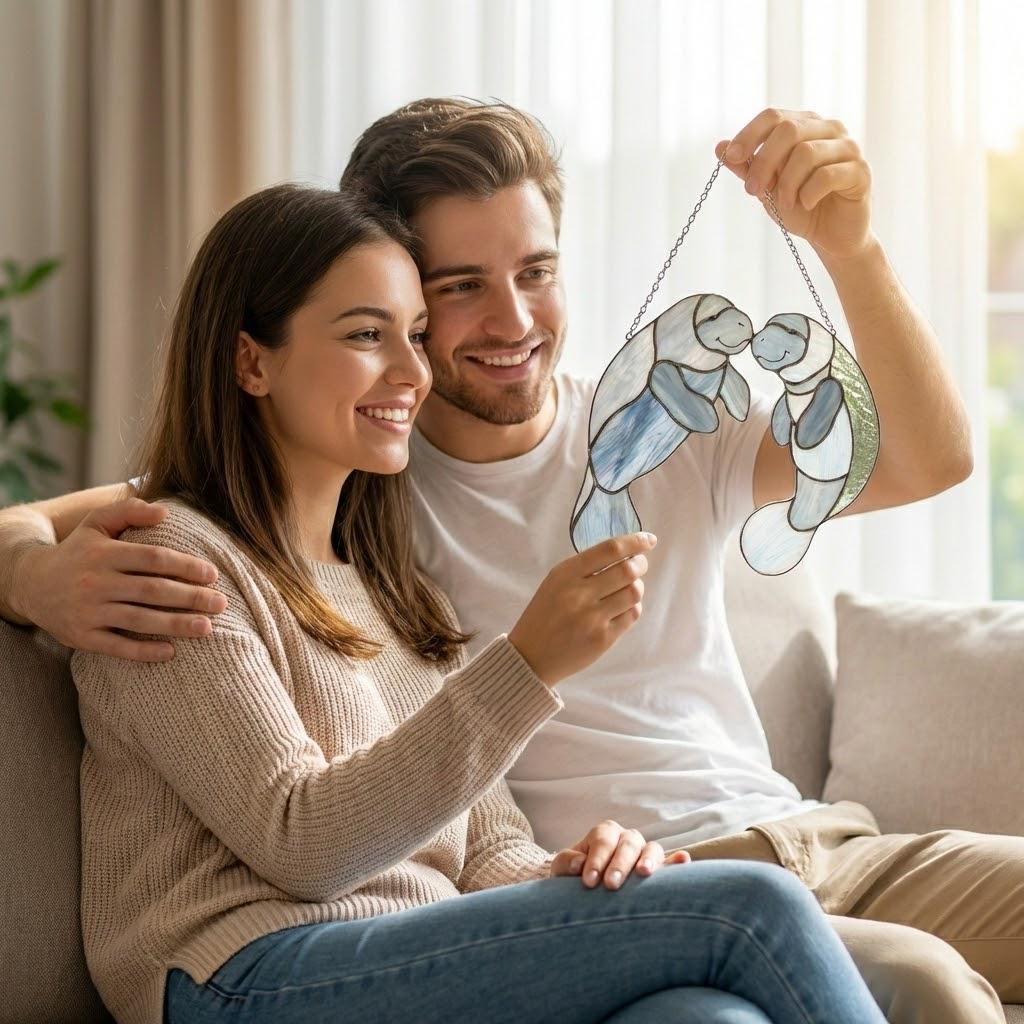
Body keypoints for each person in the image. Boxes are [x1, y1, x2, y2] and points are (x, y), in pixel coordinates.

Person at [0, 100, 1017, 1021]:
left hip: (772, 846)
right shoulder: (273, 524)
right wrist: (28, 570)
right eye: (450, 294)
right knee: (869, 964)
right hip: (311, 955)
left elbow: (931, 458)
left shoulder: (402, 573)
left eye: (535, 273)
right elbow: (297, 821)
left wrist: (848, 248)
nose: (511, 322)